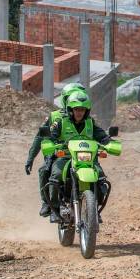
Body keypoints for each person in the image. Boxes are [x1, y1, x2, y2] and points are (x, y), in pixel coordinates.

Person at [46, 92, 111, 223]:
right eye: (76, 109)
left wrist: (109, 142)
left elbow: (102, 136)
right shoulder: (61, 122)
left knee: (101, 178)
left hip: (87, 158)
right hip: (66, 157)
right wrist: (50, 144)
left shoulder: (90, 123)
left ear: (86, 111)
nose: (79, 112)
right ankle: (55, 209)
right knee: (56, 175)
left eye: (82, 109)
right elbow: (50, 137)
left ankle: (94, 210)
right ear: (70, 110)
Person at [25, 83, 87, 217]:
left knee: (100, 175)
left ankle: (93, 206)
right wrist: (30, 158)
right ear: (66, 99)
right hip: (59, 153)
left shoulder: (86, 118)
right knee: (45, 170)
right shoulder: (55, 117)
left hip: (82, 155)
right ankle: (48, 204)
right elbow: (40, 137)